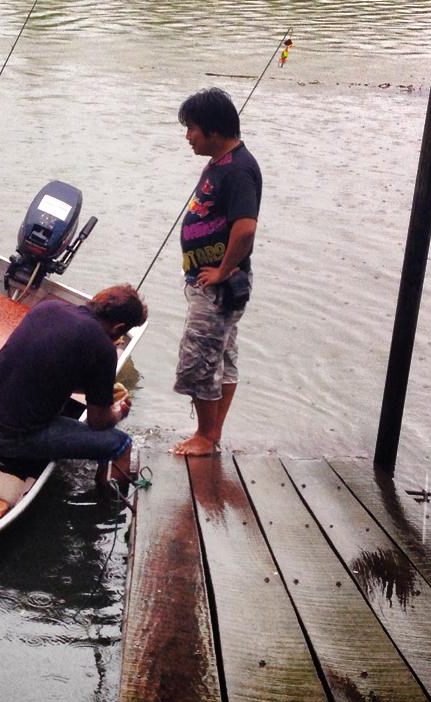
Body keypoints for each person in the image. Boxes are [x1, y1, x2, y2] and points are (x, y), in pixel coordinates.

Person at [0, 284, 148, 484]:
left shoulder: (48, 307)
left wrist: (96, 389)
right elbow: (98, 422)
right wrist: (118, 412)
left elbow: (43, 366)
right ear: (118, 328)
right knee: (122, 444)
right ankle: (109, 501)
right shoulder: (104, 349)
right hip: (7, 439)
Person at [171, 87, 262, 456]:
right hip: (206, 281)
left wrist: (223, 271)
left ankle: (205, 436)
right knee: (222, 358)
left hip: (220, 286)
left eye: (192, 128)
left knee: (199, 360)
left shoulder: (240, 169)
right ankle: (212, 433)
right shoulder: (221, 163)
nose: (188, 136)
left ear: (214, 130)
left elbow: (246, 229)